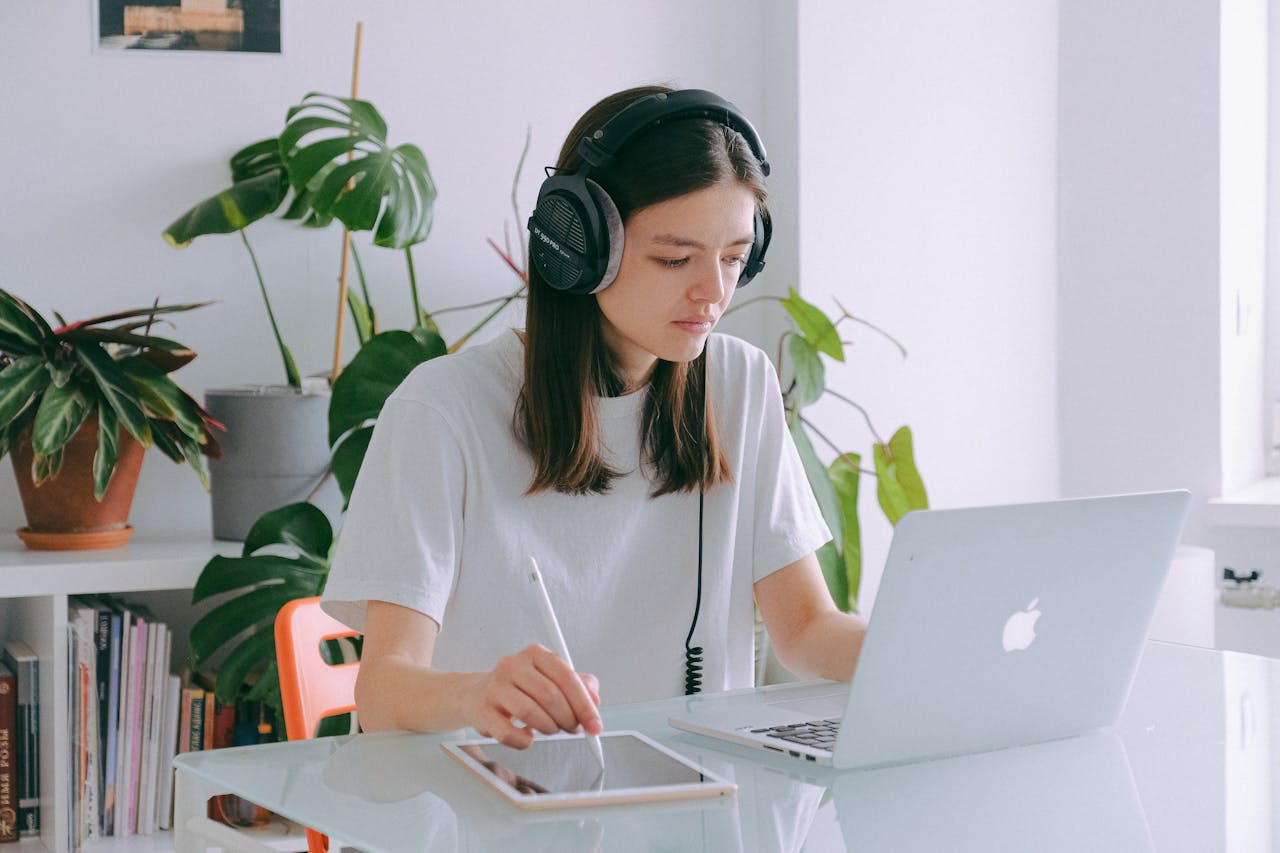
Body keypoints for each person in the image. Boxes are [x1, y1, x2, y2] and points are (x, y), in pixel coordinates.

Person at [320, 85, 868, 749]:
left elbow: (807, 629)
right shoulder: (443, 409)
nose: (714, 292)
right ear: (577, 247)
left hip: (693, 813)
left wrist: (936, 654)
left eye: (733, 257)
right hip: (491, 809)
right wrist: (476, 692)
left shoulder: (740, 384)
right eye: (675, 258)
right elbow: (381, 688)